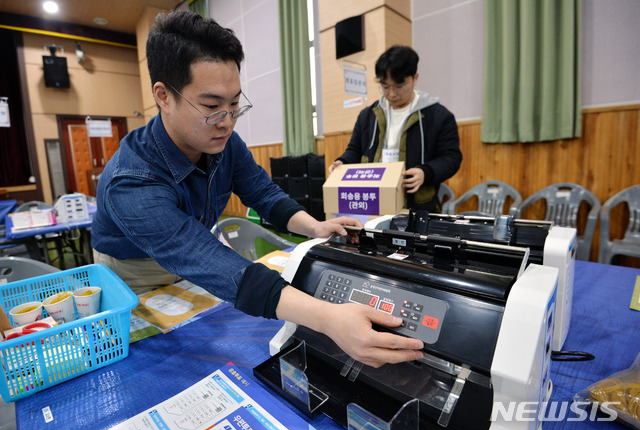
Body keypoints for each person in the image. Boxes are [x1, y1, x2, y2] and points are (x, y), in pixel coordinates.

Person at [91, 10, 424, 367]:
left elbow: (263, 194)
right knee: (152, 365)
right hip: (135, 276)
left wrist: (315, 227)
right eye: (212, 106)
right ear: (163, 96)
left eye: (235, 104)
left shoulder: (222, 142)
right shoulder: (131, 180)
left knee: (204, 348)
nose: (228, 121)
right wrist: (328, 319)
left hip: (194, 265)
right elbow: (201, 257)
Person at [329, 45, 462, 213]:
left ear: (415, 78)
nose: (391, 94)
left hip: (417, 205)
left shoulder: (438, 116)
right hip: (374, 202)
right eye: (385, 87)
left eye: (399, 86)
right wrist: (343, 162)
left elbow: (451, 157)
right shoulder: (368, 116)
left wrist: (425, 172)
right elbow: (355, 150)